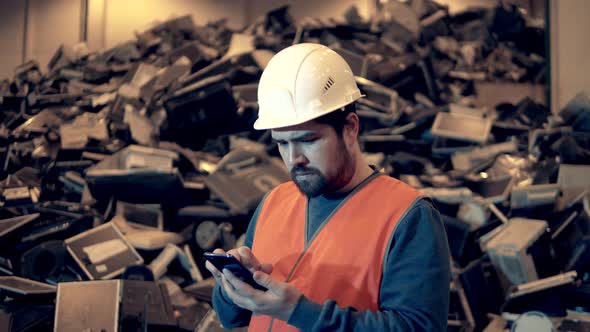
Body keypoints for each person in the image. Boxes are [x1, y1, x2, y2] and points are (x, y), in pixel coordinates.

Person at [205, 43, 451, 332]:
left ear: (350, 129)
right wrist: (230, 288)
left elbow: (417, 328)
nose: (294, 158)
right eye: (282, 143)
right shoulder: (275, 201)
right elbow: (233, 318)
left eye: (308, 140)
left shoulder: (408, 215)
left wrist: (298, 311)